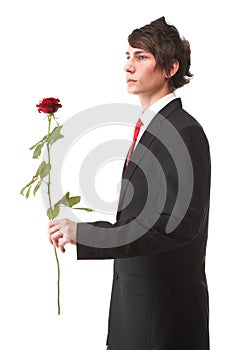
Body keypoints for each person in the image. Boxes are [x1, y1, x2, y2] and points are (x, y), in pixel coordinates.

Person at [48, 16, 211, 350]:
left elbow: (176, 226)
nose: (128, 66)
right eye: (128, 56)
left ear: (170, 68)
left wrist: (89, 235)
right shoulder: (150, 128)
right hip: (133, 315)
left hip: (163, 322)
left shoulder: (184, 132)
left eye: (141, 57)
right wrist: (79, 229)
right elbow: (141, 221)